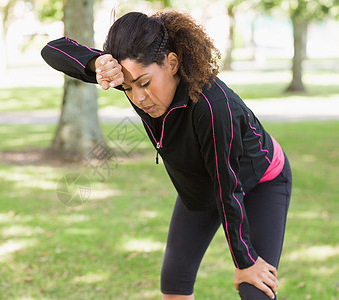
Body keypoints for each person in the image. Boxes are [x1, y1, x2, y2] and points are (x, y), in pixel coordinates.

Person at [41, 10, 292, 300]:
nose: (138, 97)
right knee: (174, 288)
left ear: (171, 63)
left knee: (255, 290)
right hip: (200, 187)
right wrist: (97, 63)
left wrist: (245, 262)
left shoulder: (212, 106)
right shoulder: (135, 76)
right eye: (127, 87)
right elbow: (53, 50)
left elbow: (227, 187)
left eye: (144, 83)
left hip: (259, 182)